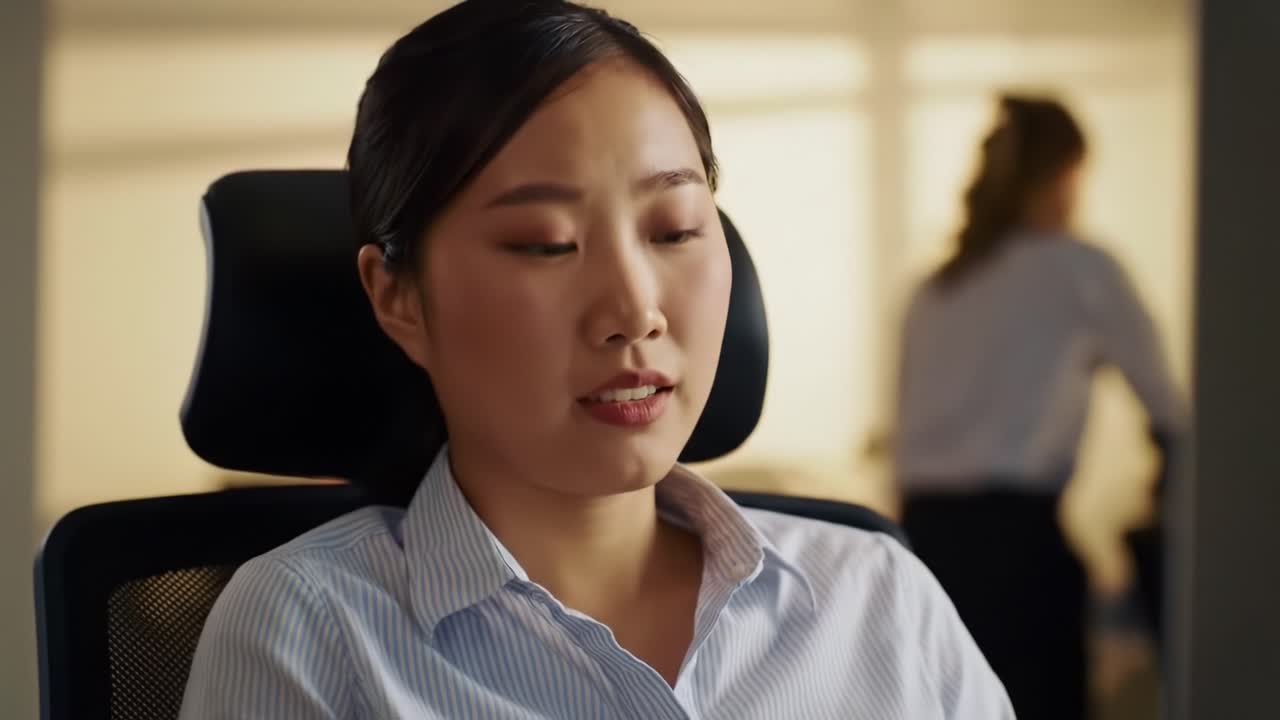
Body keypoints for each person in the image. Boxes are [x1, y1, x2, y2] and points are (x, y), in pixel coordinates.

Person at [180, 2, 1012, 717]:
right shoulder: (307, 631)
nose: (634, 311)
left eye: (676, 229)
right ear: (400, 297)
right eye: (546, 244)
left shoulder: (878, 598)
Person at [893, 94, 1187, 720]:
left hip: (923, 548)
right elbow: (1167, 405)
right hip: (1019, 553)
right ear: (1062, 174)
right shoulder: (1082, 269)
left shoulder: (933, 291)